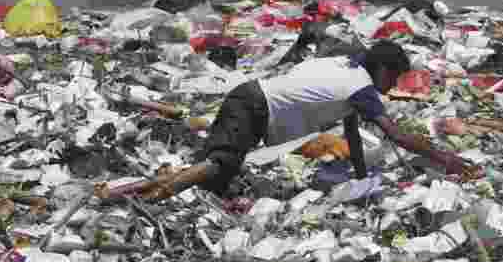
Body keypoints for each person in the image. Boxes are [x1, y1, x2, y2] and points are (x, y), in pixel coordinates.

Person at [142, 40, 471, 199]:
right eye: (393, 78)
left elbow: (352, 132)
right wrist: (445, 159)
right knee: (220, 164)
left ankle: (144, 188)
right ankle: (158, 193)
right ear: (383, 70)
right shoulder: (361, 87)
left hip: (252, 98)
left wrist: (359, 177)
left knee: (216, 181)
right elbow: (396, 136)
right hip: (256, 105)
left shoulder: (347, 67)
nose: (391, 87)